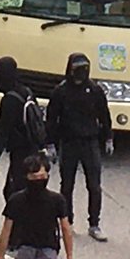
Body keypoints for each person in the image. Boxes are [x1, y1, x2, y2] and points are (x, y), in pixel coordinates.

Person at [46, 52, 112, 243]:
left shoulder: (94, 90)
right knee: (67, 185)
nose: (80, 73)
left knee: (94, 186)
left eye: (84, 69)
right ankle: (68, 222)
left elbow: (104, 115)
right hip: (68, 142)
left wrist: (108, 138)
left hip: (90, 142)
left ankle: (94, 224)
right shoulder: (61, 91)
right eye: (77, 69)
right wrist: (50, 143)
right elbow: (51, 119)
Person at [0, 154, 75, 259]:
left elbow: (6, 229)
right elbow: (66, 229)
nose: (38, 180)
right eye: (35, 177)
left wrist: (0, 256)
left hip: (25, 249)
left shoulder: (17, 200)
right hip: (47, 250)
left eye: (41, 177)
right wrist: (69, 257)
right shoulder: (57, 200)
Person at [0, 57, 46, 208]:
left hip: (19, 152)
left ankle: (18, 227)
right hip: (33, 148)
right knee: (27, 190)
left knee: (13, 192)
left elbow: (4, 132)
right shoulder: (27, 91)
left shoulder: (9, 100)